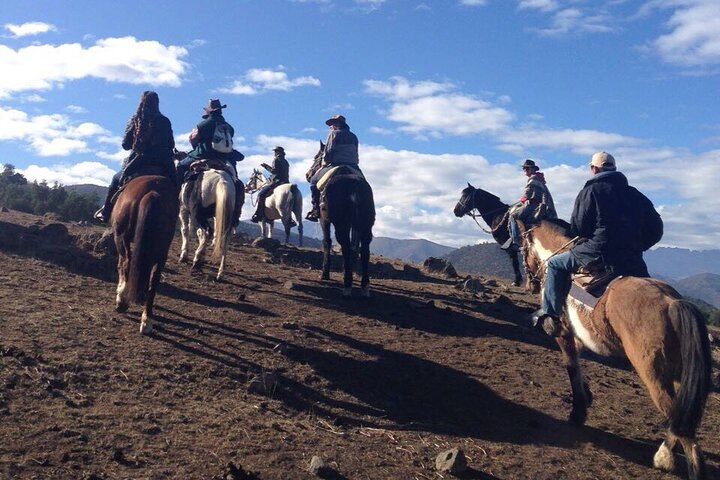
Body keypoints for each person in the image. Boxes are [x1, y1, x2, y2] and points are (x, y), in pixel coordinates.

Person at [532, 152, 663, 335]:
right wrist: (636, 246)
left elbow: (578, 229)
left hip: (596, 253)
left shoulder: (590, 191)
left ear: (593, 169)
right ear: (615, 169)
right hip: (632, 259)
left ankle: (550, 314)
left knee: (554, 264)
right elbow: (657, 229)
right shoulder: (636, 195)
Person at [95, 90, 176, 223]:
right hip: (163, 161)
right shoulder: (164, 121)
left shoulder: (134, 120)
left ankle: (106, 212)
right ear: (157, 103)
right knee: (175, 184)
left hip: (138, 161)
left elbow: (125, 145)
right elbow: (171, 144)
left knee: (116, 179)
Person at [176, 99, 244, 186]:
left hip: (206, 154)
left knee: (180, 166)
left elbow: (192, 139)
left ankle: (176, 195)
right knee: (235, 177)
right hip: (225, 157)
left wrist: (195, 147)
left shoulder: (204, 124)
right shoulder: (229, 127)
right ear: (220, 110)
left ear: (209, 111)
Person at [305, 114, 361, 222]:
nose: (330, 126)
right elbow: (356, 153)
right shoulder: (354, 136)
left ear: (337, 124)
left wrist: (325, 164)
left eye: (332, 124)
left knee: (313, 181)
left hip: (335, 164)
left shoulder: (333, 134)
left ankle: (315, 210)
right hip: (353, 166)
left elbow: (328, 152)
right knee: (364, 184)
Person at [503, 159, 557, 250]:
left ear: (532, 169)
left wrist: (523, 200)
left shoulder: (533, 179)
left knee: (513, 215)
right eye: (524, 169)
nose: (525, 170)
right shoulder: (538, 178)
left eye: (527, 168)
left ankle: (515, 241)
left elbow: (528, 193)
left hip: (535, 205)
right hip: (537, 203)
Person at [251, 146, 290, 223]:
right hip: (286, 182)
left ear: (278, 152)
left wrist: (266, 166)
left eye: (275, 152)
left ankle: (258, 214)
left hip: (277, 182)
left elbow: (274, 171)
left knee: (261, 195)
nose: (274, 153)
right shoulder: (286, 161)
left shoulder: (276, 160)